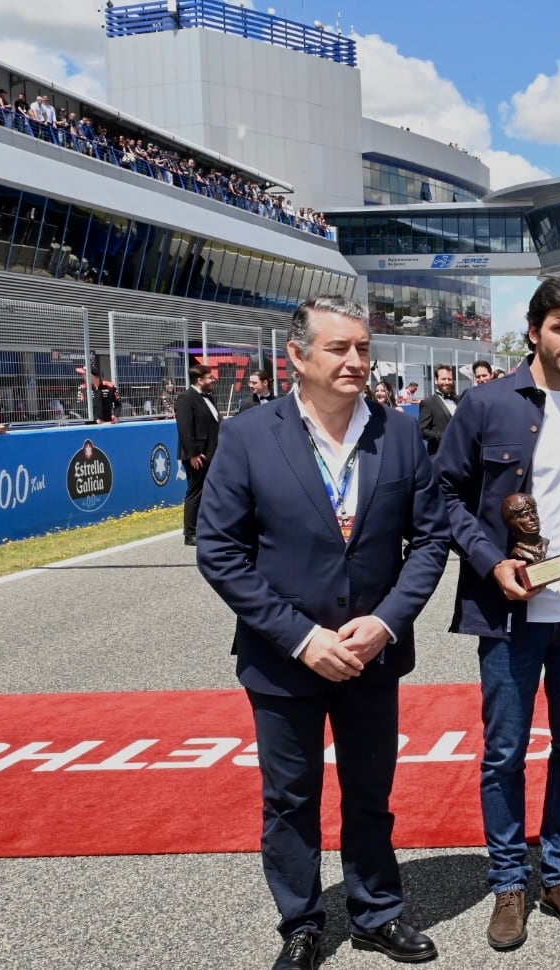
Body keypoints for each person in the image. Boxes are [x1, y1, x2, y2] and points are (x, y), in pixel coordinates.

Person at [196, 296, 447, 970]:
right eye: (340, 348)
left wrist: (388, 621)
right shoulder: (248, 436)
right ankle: (301, 923)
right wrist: (302, 637)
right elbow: (220, 552)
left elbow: (429, 542)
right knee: (290, 799)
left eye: (363, 348)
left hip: (371, 654)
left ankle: (376, 913)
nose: (357, 361)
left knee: (371, 790)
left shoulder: (399, 434)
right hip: (284, 660)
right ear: (297, 356)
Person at [432, 275, 560, 951]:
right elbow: (447, 497)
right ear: (535, 331)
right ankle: (510, 882)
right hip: (511, 614)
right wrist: (493, 562)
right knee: (505, 754)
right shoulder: (487, 404)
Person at [174, 364, 220, 546]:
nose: (213, 380)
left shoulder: (209, 397)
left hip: (212, 453)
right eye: (210, 377)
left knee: (210, 493)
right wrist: (193, 453)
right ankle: (190, 532)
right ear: (199, 380)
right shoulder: (186, 398)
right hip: (198, 455)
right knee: (196, 492)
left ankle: (207, 528)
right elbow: (185, 429)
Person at [417, 365, 459, 456]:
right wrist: (444, 436)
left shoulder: (459, 400)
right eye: (443, 379)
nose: (447, 382)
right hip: (439, 456)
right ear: (436, 380)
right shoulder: (428, 403)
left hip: (460, 456)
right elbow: (422, 431)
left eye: (450, 379)